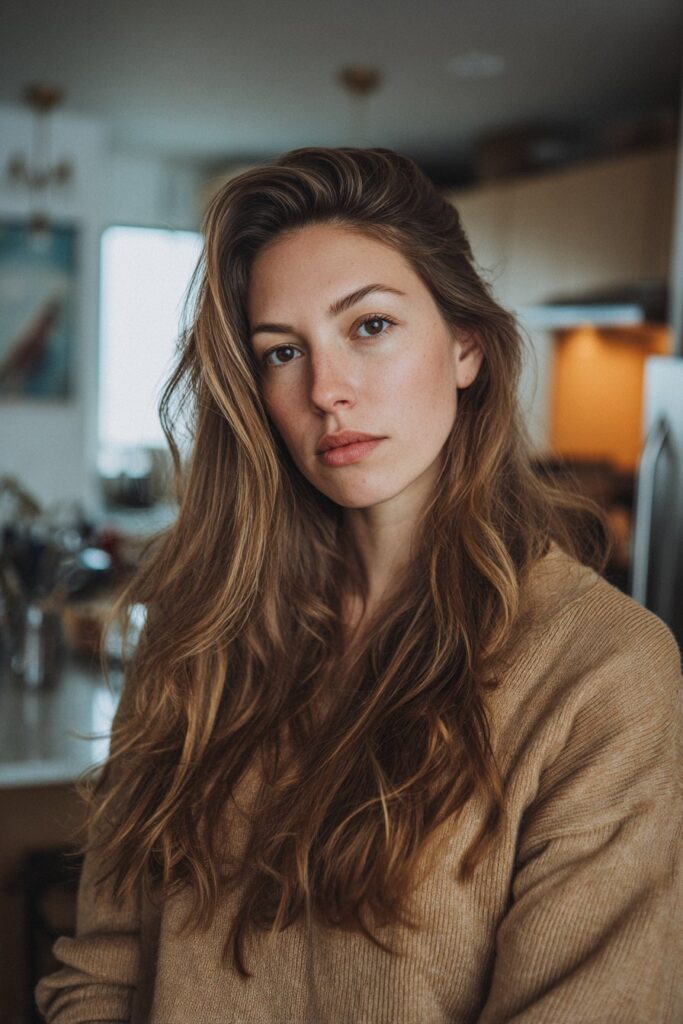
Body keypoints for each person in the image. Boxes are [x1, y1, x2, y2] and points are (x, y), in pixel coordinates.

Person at [36, 147, 682, 1024]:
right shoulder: (199, 635)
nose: (326, 390)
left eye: (369, 326)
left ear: (466, 346)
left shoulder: (603, 673)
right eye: (280, 352)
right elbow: (105, 970)